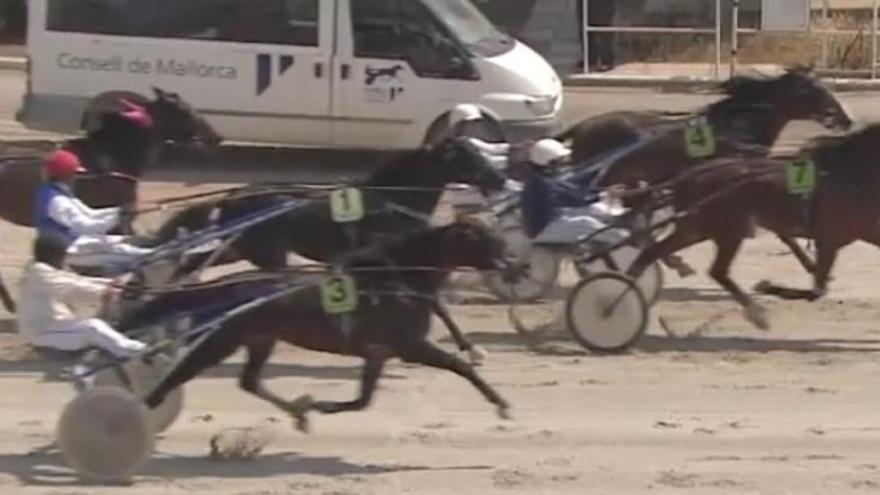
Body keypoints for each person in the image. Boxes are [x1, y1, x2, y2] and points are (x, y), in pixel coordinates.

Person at [17, 232, 147, 357]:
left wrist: (111, 283)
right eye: (62, 255)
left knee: (99, 321)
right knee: (92, 328)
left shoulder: (44, 268)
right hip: (42, 331)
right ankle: (136, 351)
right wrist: (106, 291)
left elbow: (76, 280)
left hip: (54, 324)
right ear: (51, 255)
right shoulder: (40, 272)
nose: (64, 258)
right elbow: (72, 287)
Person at [34, 149, 152, 271]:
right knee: (141, 256)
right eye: (74, 174)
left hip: (80, 245)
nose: (76, 177)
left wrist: (119, 211)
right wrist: (119, 216)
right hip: (71, 252)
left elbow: (90, 214)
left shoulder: (59, 192)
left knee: (128, 242)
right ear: (66, 175)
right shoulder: (57, 201)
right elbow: (87, 227)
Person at [520, 138, 627, 246]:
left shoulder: (545, 178)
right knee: (584, 223)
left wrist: (603, 191)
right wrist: (605, 194)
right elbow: (577, 200)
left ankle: (622, 223)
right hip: (542, 230)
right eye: (560, 161)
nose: (564, 163)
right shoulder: (542, 183)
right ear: (549, 163)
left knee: (592, 210)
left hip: (554, 217)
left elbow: (573, 191)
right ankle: (624, 239)